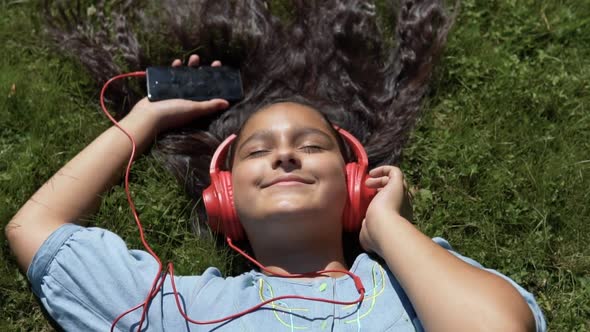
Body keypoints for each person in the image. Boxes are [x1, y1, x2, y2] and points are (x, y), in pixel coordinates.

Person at [7, 0, 547, 331]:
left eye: (311, 146)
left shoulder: (417, 278)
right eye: (258, 152)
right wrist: (148, 117)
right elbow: (34, 228)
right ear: (225, 197)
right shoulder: (185, 310)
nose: (285, 153)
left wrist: (386, 227)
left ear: (354, 183)